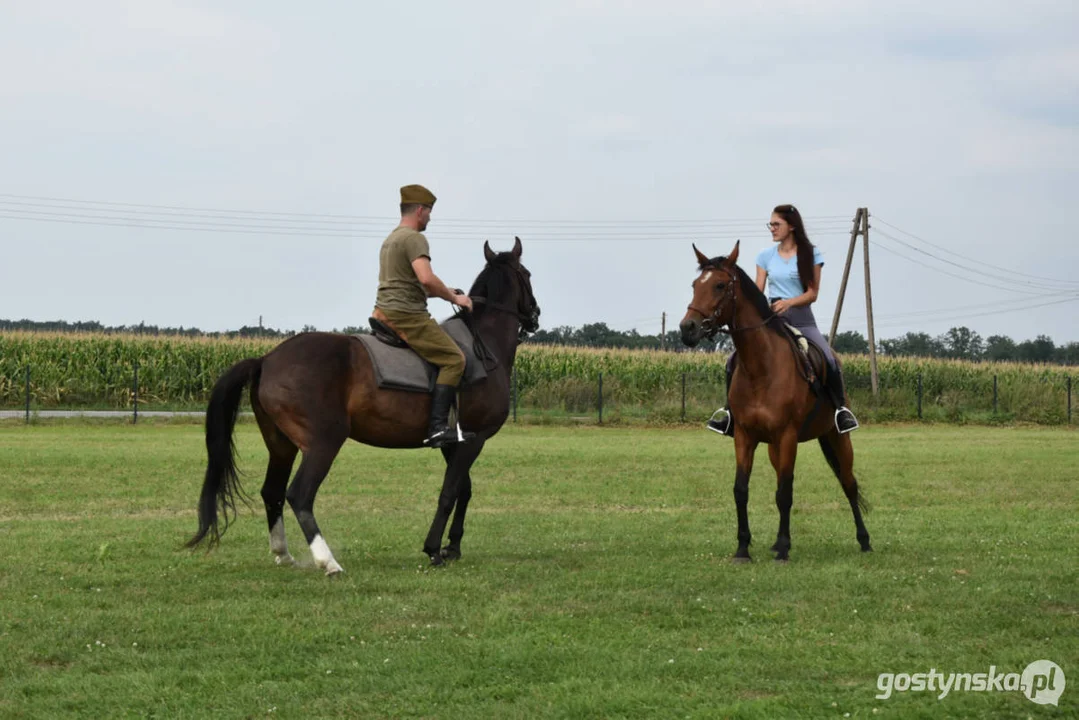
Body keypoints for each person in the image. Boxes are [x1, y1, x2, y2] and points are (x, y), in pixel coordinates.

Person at [707, 203, 859, 436]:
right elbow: (758, 291)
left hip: (801, 320)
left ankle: (840, 411)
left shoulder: (810, 253)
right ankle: (729, 414)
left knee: (828, 358)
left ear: (791, 226)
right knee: (732, 360)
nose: (772, 229)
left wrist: (788, 302)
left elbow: (812, 293)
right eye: (771, 224)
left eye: (776, 224)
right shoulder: (764, 256)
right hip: (771, 320)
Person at [373, 184, 475, 448]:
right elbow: (426, 279)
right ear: (420, 210)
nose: (430, 217)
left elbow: (407, 285)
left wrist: (446, 290)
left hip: (384, 311)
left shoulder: (391, 240)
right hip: (407, 317)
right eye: (429, 212)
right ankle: (438, 428)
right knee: (454, 359)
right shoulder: (414, 238)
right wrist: (456, 299)